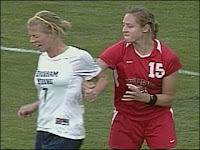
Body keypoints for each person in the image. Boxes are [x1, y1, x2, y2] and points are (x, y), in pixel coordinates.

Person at [84, 6, 182, 149]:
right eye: (123, 25)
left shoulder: (167, 57)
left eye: (129, 26)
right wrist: (88, 85)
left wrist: (145, 98)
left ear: (145, 28)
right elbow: (92, 71)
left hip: (157, 117)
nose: (124, 30)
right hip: (126, 116)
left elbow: (168, 98)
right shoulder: (119, 50)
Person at [17, 10, 108, 150]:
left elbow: (102, 77)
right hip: (44, 127)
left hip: (67, 130)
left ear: (52, 33)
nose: (32, 40)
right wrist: (34, 106)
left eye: (35, 36)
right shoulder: (43, 58)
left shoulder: (78, 57)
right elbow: (53, 92)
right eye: (30, 36)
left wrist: (95, 91)